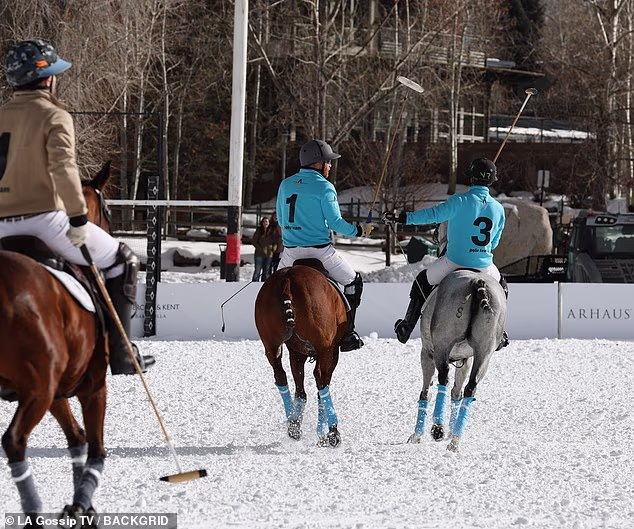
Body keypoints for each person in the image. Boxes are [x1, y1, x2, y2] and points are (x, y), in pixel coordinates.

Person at [0, 38, 154, 380]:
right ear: (47, 78)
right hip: (43, 220)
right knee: (123, 259)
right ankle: (122, 352)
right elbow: (64, 169)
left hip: (1, 226)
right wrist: (78, 217)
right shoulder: (54, 114)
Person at [383, 157, 509, 348]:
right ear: (491, 181)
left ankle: (406, 327)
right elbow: (494, 243)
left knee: (421, 282)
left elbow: (432, 215)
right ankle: (500, 332)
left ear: (472, 179)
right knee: (502, 287)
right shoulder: (499, 209)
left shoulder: (459, 201)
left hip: (454, 261)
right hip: (484, 265)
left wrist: (404, 217)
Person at [276, 139, 373, 352]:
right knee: (353, 281)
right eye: (328, 162)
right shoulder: (325, 187)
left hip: (290, 254)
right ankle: (348, 333)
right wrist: (358, 231)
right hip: (321, 253)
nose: (330, 166)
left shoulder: (285, 184)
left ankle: (274, 328)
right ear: (317, 163)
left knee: (275, 287)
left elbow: (281, 220)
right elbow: (336, 223)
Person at [252, 216, 276, 281]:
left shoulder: (272, 231)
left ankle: (264, 284)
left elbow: (275, 242)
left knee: (266, 272)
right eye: (264, 221)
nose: (266, 223)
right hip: (259, 254)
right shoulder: (259, 231)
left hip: (269, 254)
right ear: (262, 223)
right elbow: (254, 241)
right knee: (257, 271)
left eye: (267, 222)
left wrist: (273, 249)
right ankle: (254, 284)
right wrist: (260, 248)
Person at [268, 210, 283, 275]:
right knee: (268, 265)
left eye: (277, 216)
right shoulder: (270, 225)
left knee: (276, 264)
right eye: (275, 216)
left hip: (278, 248)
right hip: (269, 248)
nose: (276, 217)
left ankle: (275, 276)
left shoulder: (280, 225)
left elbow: (281, 235)